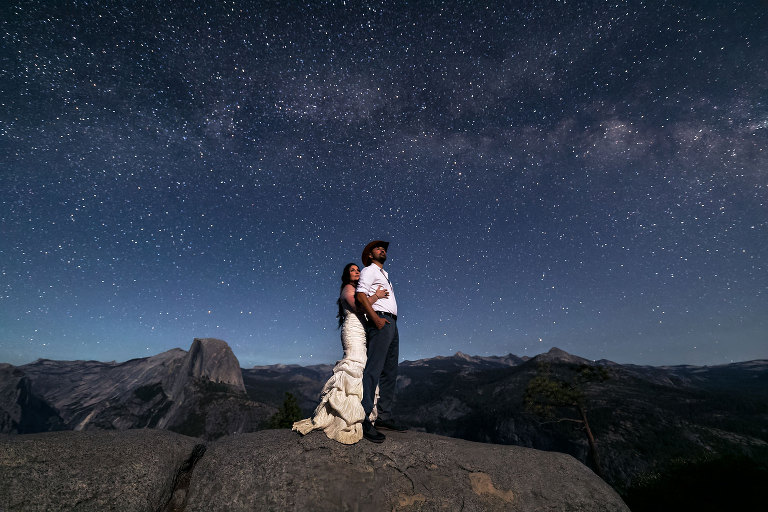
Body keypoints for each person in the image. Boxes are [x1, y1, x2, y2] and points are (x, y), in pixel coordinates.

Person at [292, 263, 388, 444]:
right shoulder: (348, 289)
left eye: (358, 270)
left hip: (362, 331)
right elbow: (360, 309)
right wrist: (377, 296)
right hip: (353, 330)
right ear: (346, 275)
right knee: (355, 363)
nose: (357, 272)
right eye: (352, 270)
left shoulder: (358, 289)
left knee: (363, 366)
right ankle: (345, 417)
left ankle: (360, 413)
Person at [355, 240, 408, 443]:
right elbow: (360, 295)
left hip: (392, 324)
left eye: (383, 248)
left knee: (390, 371)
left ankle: (384, 416)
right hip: (381, 321)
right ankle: (364, 418)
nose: (382, 249)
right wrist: (375, 319)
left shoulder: (385, 275)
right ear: (370, 255)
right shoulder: (369, 270)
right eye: (377, 248)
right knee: (374, 369)